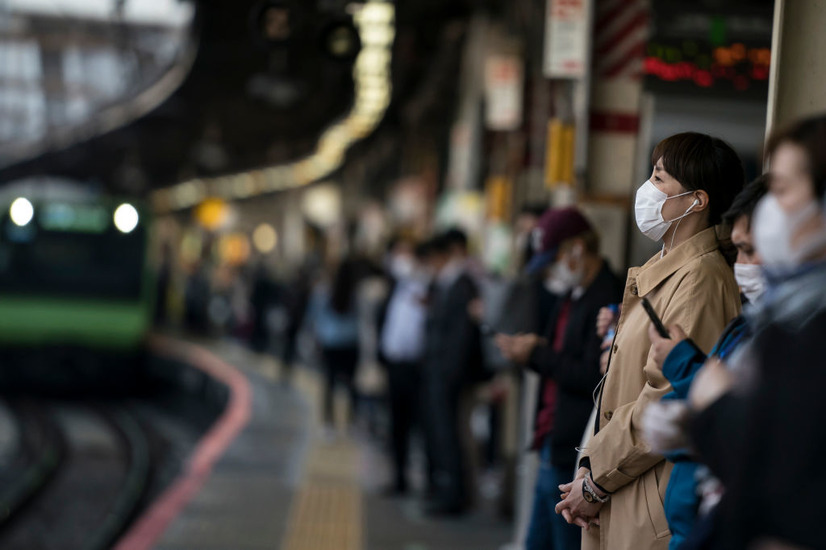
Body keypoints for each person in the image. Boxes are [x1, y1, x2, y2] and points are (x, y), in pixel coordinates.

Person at [555, 132, 745, 550]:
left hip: (645, 501)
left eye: (660, 178)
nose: (647, 189)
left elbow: (667, 396)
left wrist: (595, 482)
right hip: (624, 486)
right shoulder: (666, 268)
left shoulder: (700, 279)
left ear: (697, 200)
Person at [685, 114, 826, 549]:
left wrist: (713, 407)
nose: (768, 214)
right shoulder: (785, 318)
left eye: (782, 190)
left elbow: (784, 467)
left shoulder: (809, 327)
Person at [640, 175, 768, 550]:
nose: (740, 267)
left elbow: (749, 426)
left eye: (660, 176)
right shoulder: (749, 324)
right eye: (737, 251)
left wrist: (682, 365)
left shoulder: (703, 276)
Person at [496, 207, 623, 550]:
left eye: (554, 261)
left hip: (572, 449)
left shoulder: (607, 300)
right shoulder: (575, 293)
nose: (552, 272)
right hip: (553, 436)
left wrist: (536, 354)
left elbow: (592, 377)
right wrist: (536, 349)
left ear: (577, 250)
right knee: (537, 540)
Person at [421, 228, 483, 516]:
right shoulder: (448, 283)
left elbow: (460, 336)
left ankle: (454, 495)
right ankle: (449, 491)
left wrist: (448, 374)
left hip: (449, 375)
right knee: (444, 433)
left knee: (451, 434)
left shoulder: (462, 284)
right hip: (441, 372)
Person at [378, 237, 430, 496]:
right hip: (396, 365)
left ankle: (427, 481)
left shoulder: (425, 288)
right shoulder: (396, 287)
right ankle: (399, 478)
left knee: (419, 426)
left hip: (416, 367)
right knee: (396, 425)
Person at [308, 257, 363, 434]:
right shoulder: (356, 293)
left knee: (329, 385)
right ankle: (351, 421)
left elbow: (314, 317)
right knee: (351, 384)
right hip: (351, 342)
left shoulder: (323, 291)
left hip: (330, 342)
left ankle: (328, 424)